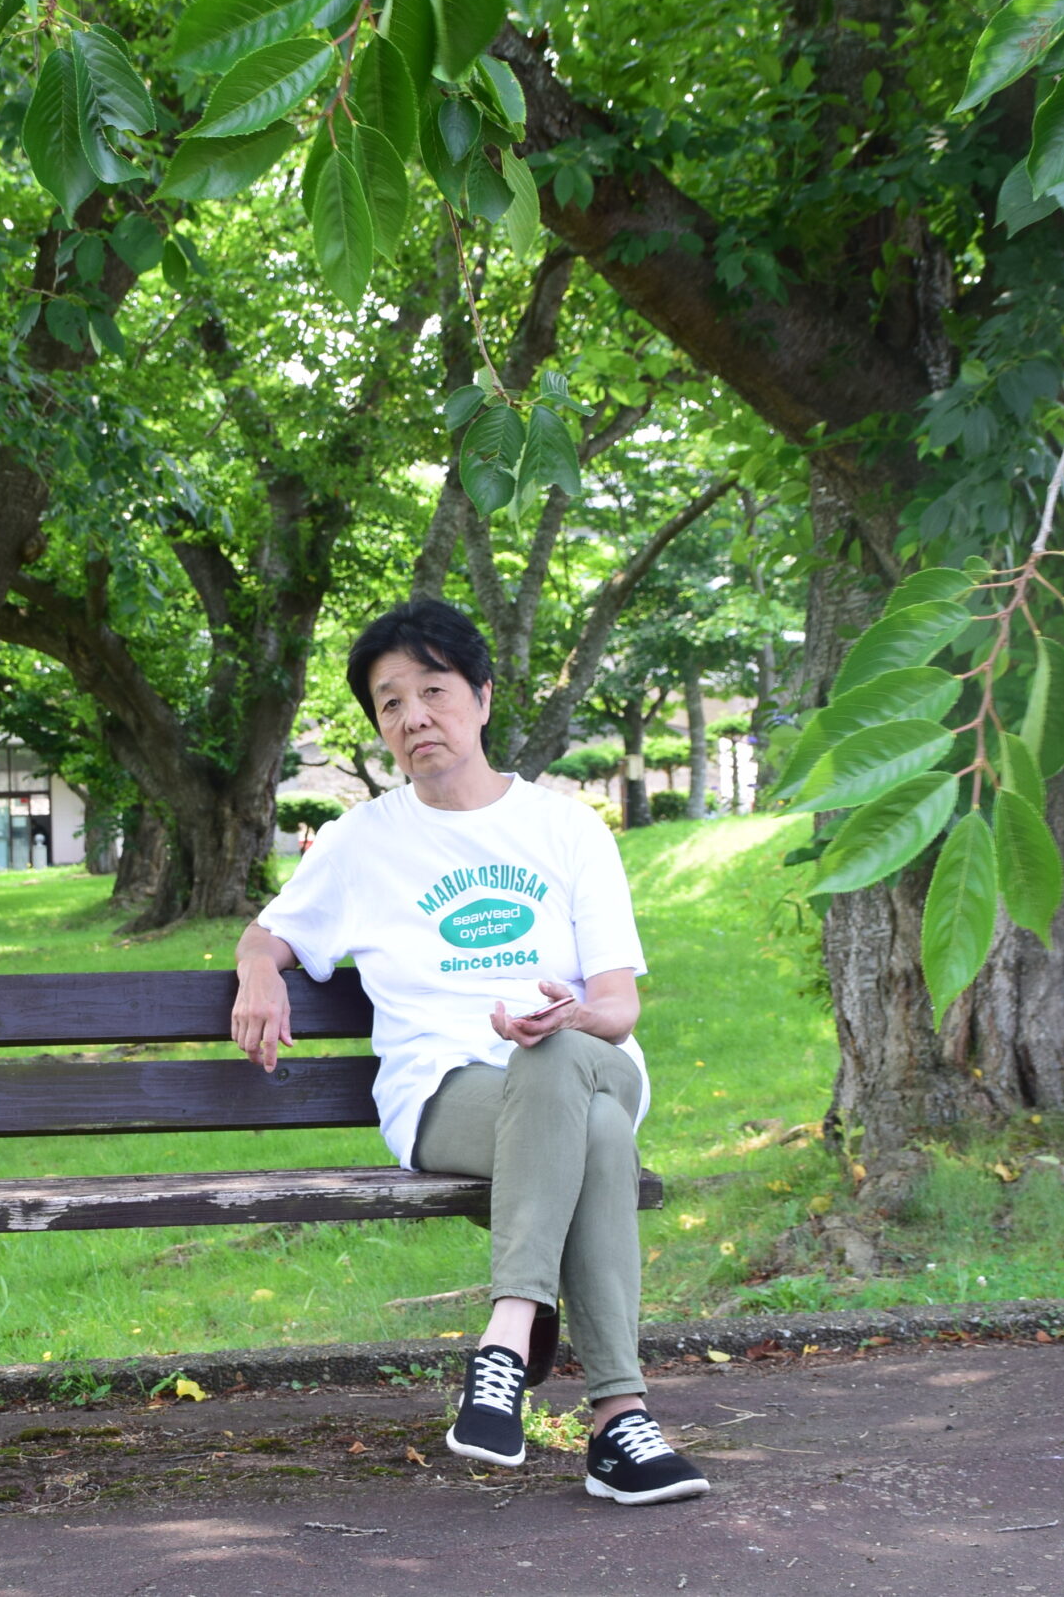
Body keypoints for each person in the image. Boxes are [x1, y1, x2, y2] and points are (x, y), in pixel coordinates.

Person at [229, 599, 709, 1506]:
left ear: (483, 698)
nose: (413, 717)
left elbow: (618, 1006)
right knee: (598, 1135)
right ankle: (620, 1423)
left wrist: (568, 1018)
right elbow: (270, 933)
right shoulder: (362, 842)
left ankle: (505, 1339)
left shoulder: (566, 829)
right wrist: (258, 970)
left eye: (433, 692)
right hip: (446, 1094)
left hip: (592, 1063)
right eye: (390, 703)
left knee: (555, 1058)